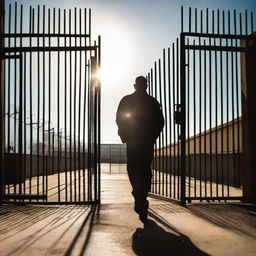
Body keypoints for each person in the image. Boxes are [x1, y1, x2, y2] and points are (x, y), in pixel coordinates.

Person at [116, 76, 164, 223]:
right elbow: (160, 122)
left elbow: (120, 119)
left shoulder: (127, 100)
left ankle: (139, 195)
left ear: (135, 85)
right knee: (144, 170)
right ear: (146, 85)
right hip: (146, 142)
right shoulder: (152, 101)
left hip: (134, 142)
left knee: (134, 169)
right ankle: (141, 197)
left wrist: (125, 135)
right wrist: (153, 137)